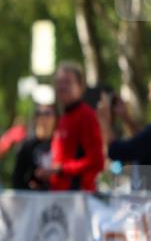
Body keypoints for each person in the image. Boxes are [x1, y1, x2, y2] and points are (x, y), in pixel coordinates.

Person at [36, 62, 104, 192]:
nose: (62, 87)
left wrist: (60, 169)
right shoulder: (63, 117)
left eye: (67, 82)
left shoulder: (86, 116)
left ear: (80, 86)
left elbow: (97, 162)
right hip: (59, 195)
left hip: (77, 196)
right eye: (58, 82)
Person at [11, 101, 57, 190]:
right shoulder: (27, 146)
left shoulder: (61, 144)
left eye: (47, 114)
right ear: (35, 118)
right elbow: (17, 179)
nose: (43, 118)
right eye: (39, 114)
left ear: (55, 118)